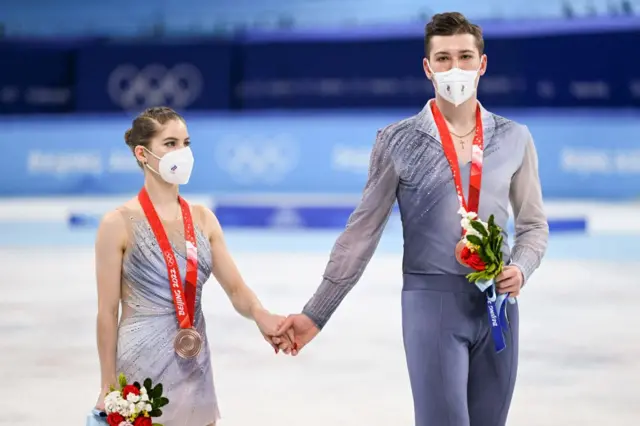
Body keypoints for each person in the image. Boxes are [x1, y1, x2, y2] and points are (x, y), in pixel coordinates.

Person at [273, 12, 549, 426]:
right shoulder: (398, 141)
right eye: (443, 59)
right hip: (431, 304)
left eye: (465, 56)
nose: (455, 68)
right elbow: (360, 235)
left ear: (483, 63)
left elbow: (533, 226)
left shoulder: (513, 137)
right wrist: (316, 313)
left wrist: (521, 269)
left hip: (497, 307)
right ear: (427, 67)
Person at [93, 106, 292, 426]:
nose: (182, 152)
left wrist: (260, 314)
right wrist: (107, 385)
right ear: (143, 154)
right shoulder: (117, 224)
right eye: (170, 144)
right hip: (139, 366)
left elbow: (236, 289)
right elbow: (106, 311)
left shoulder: (202, 219)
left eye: (186, 143)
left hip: (194, 363)